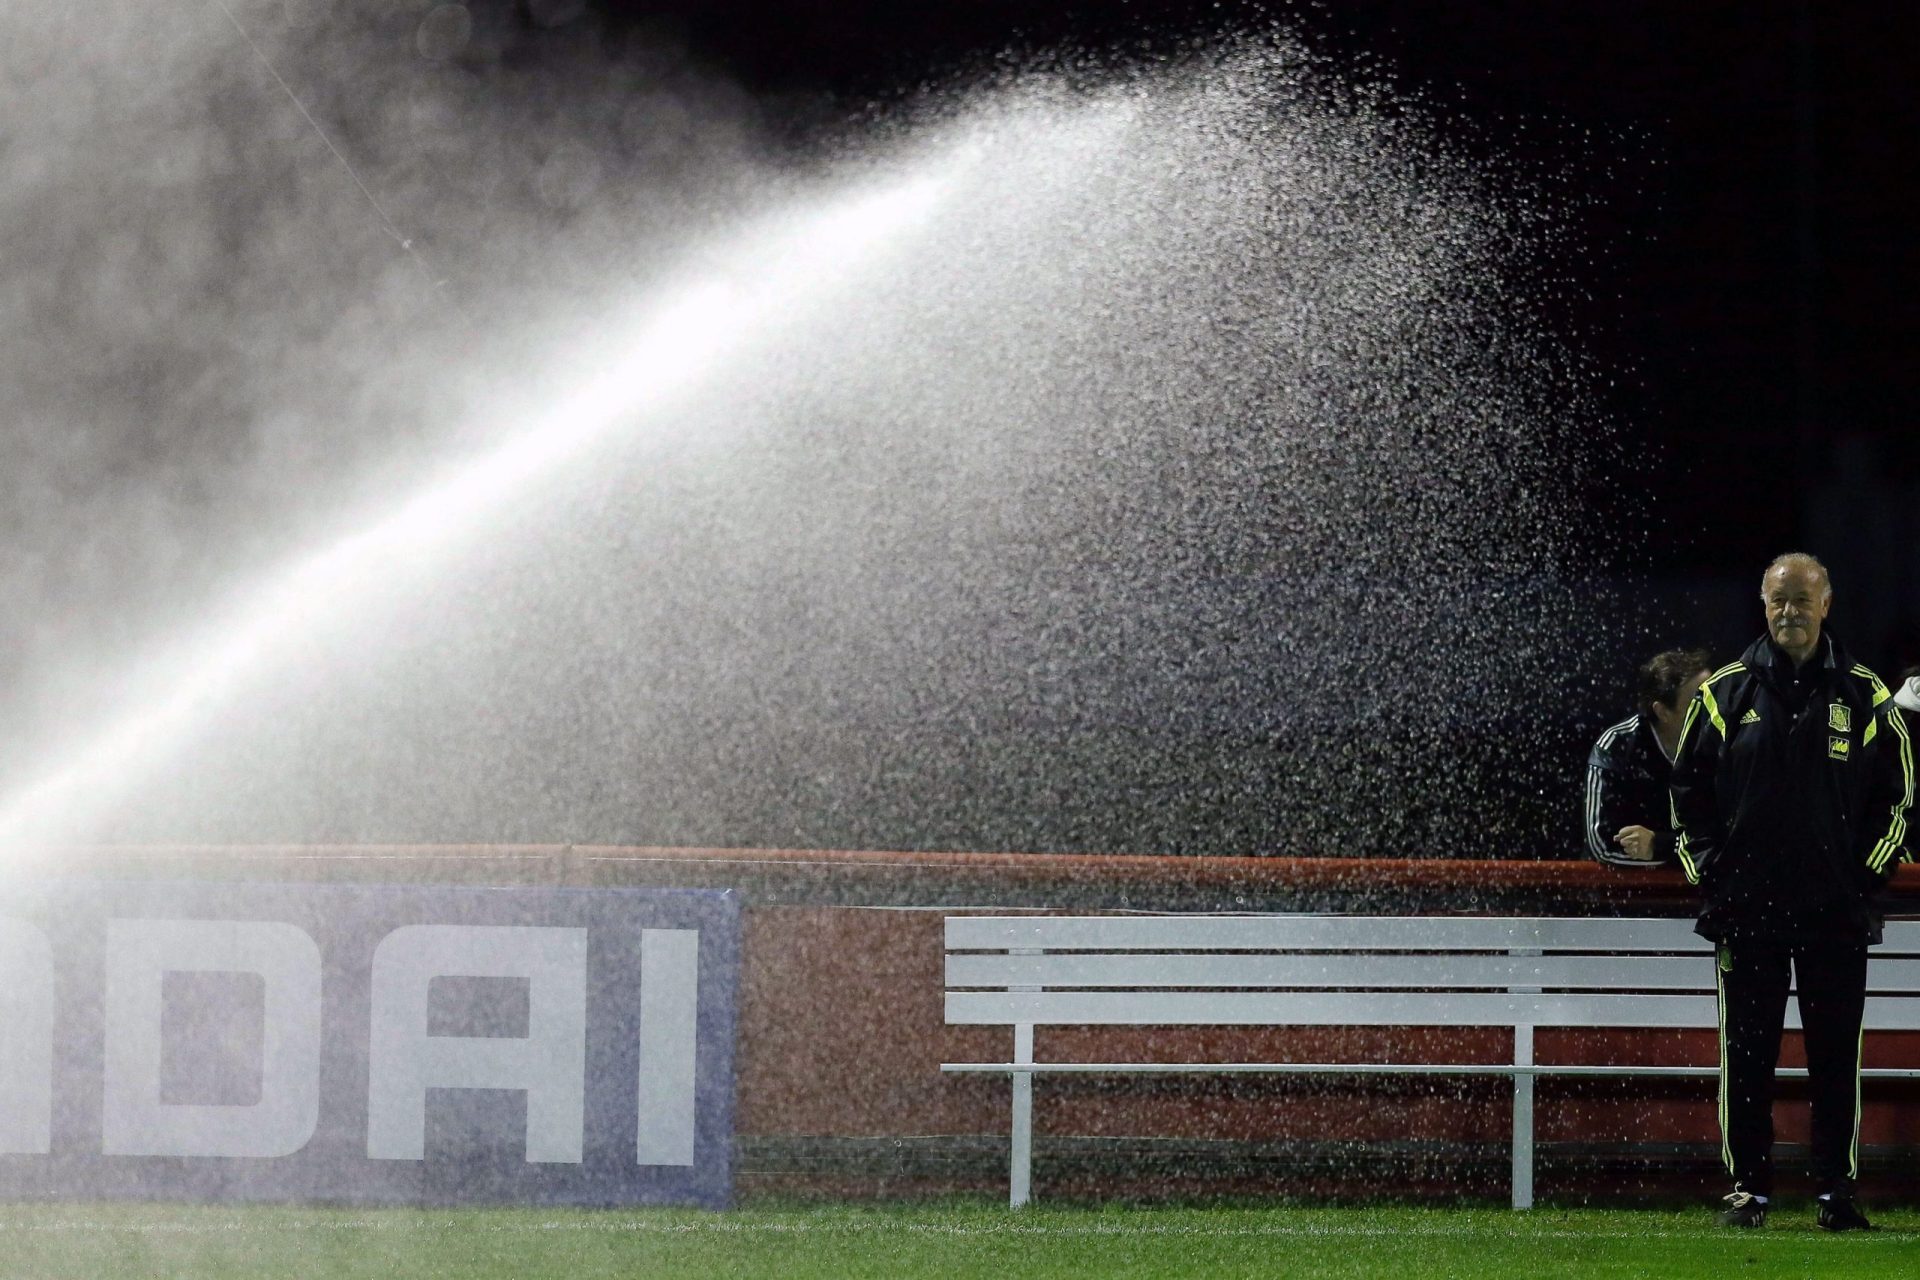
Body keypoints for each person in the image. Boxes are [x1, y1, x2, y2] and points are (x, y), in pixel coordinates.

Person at [1669, 552, 1913, 1231]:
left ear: (1827, 603)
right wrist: (1713, 873)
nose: (1790, 612)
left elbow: (1897, 805)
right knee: (1748, 1060)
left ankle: (1836, 1193)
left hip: (1835, 916)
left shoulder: (1867, 695)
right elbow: (1687, 795)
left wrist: (1862, 880)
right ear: (1762, 603)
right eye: (1779, 600)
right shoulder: (1722, 694)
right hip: (1746, 914)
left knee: (1836, 1062)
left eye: (1802, 599)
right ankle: (1749, 1191)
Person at [1585, 648, 1713, 866]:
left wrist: (1658, 845)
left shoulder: (1729, 741)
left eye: (1715, 695)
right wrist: (1687, 853)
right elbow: (1602, 847)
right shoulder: (1616, 747)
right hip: (1624, 894)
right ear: (1662, 712)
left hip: (1704, 893)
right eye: (1699, 702)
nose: (1714, 709)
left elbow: (1734, 839)